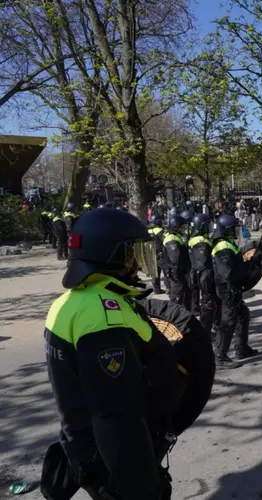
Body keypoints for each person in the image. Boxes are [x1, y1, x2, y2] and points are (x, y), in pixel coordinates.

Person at [43, 208, 180, 499]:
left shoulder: (70, 302)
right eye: (131, 253)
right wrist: (140, 483)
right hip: (115, 460)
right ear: (111, 255)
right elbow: (116, 416)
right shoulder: (105, 318)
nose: (136, 262)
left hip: (86, 445)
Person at [212, 214, 259, 368]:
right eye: (233, 229)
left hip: (232, 289)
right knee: (228, 322)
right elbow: (229, 273)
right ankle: (220, 356)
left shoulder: (227, 244)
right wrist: (246, 270)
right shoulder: (223, 248)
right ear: (226, 230)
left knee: (243, 315)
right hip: (228, 290)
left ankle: (242, 348)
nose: (235, 231)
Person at [189, 213, 219, 335]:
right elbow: (204, 264)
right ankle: (204, 332)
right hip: (205, 277)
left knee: (210, 303)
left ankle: (210, 327)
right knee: (207, 304)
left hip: (200, 275)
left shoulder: (196, 238)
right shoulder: (200, 241)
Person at [163, 215, 191, 310]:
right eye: (182, 227)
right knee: (177, 295)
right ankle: (173, 315)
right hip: (176, 273)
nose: (184, 229)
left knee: (183, 294)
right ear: (176, 227)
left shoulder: (176, 236)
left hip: (179, 272)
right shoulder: (171, 239)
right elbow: (175, 258)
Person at [147, 215, 167, 294]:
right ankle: (168, 288)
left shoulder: (148, 230)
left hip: (150, 253)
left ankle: (156, 289)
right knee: (166, 271)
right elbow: (164, 240)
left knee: (155, 273)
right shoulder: (158, 230)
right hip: (159, 253)